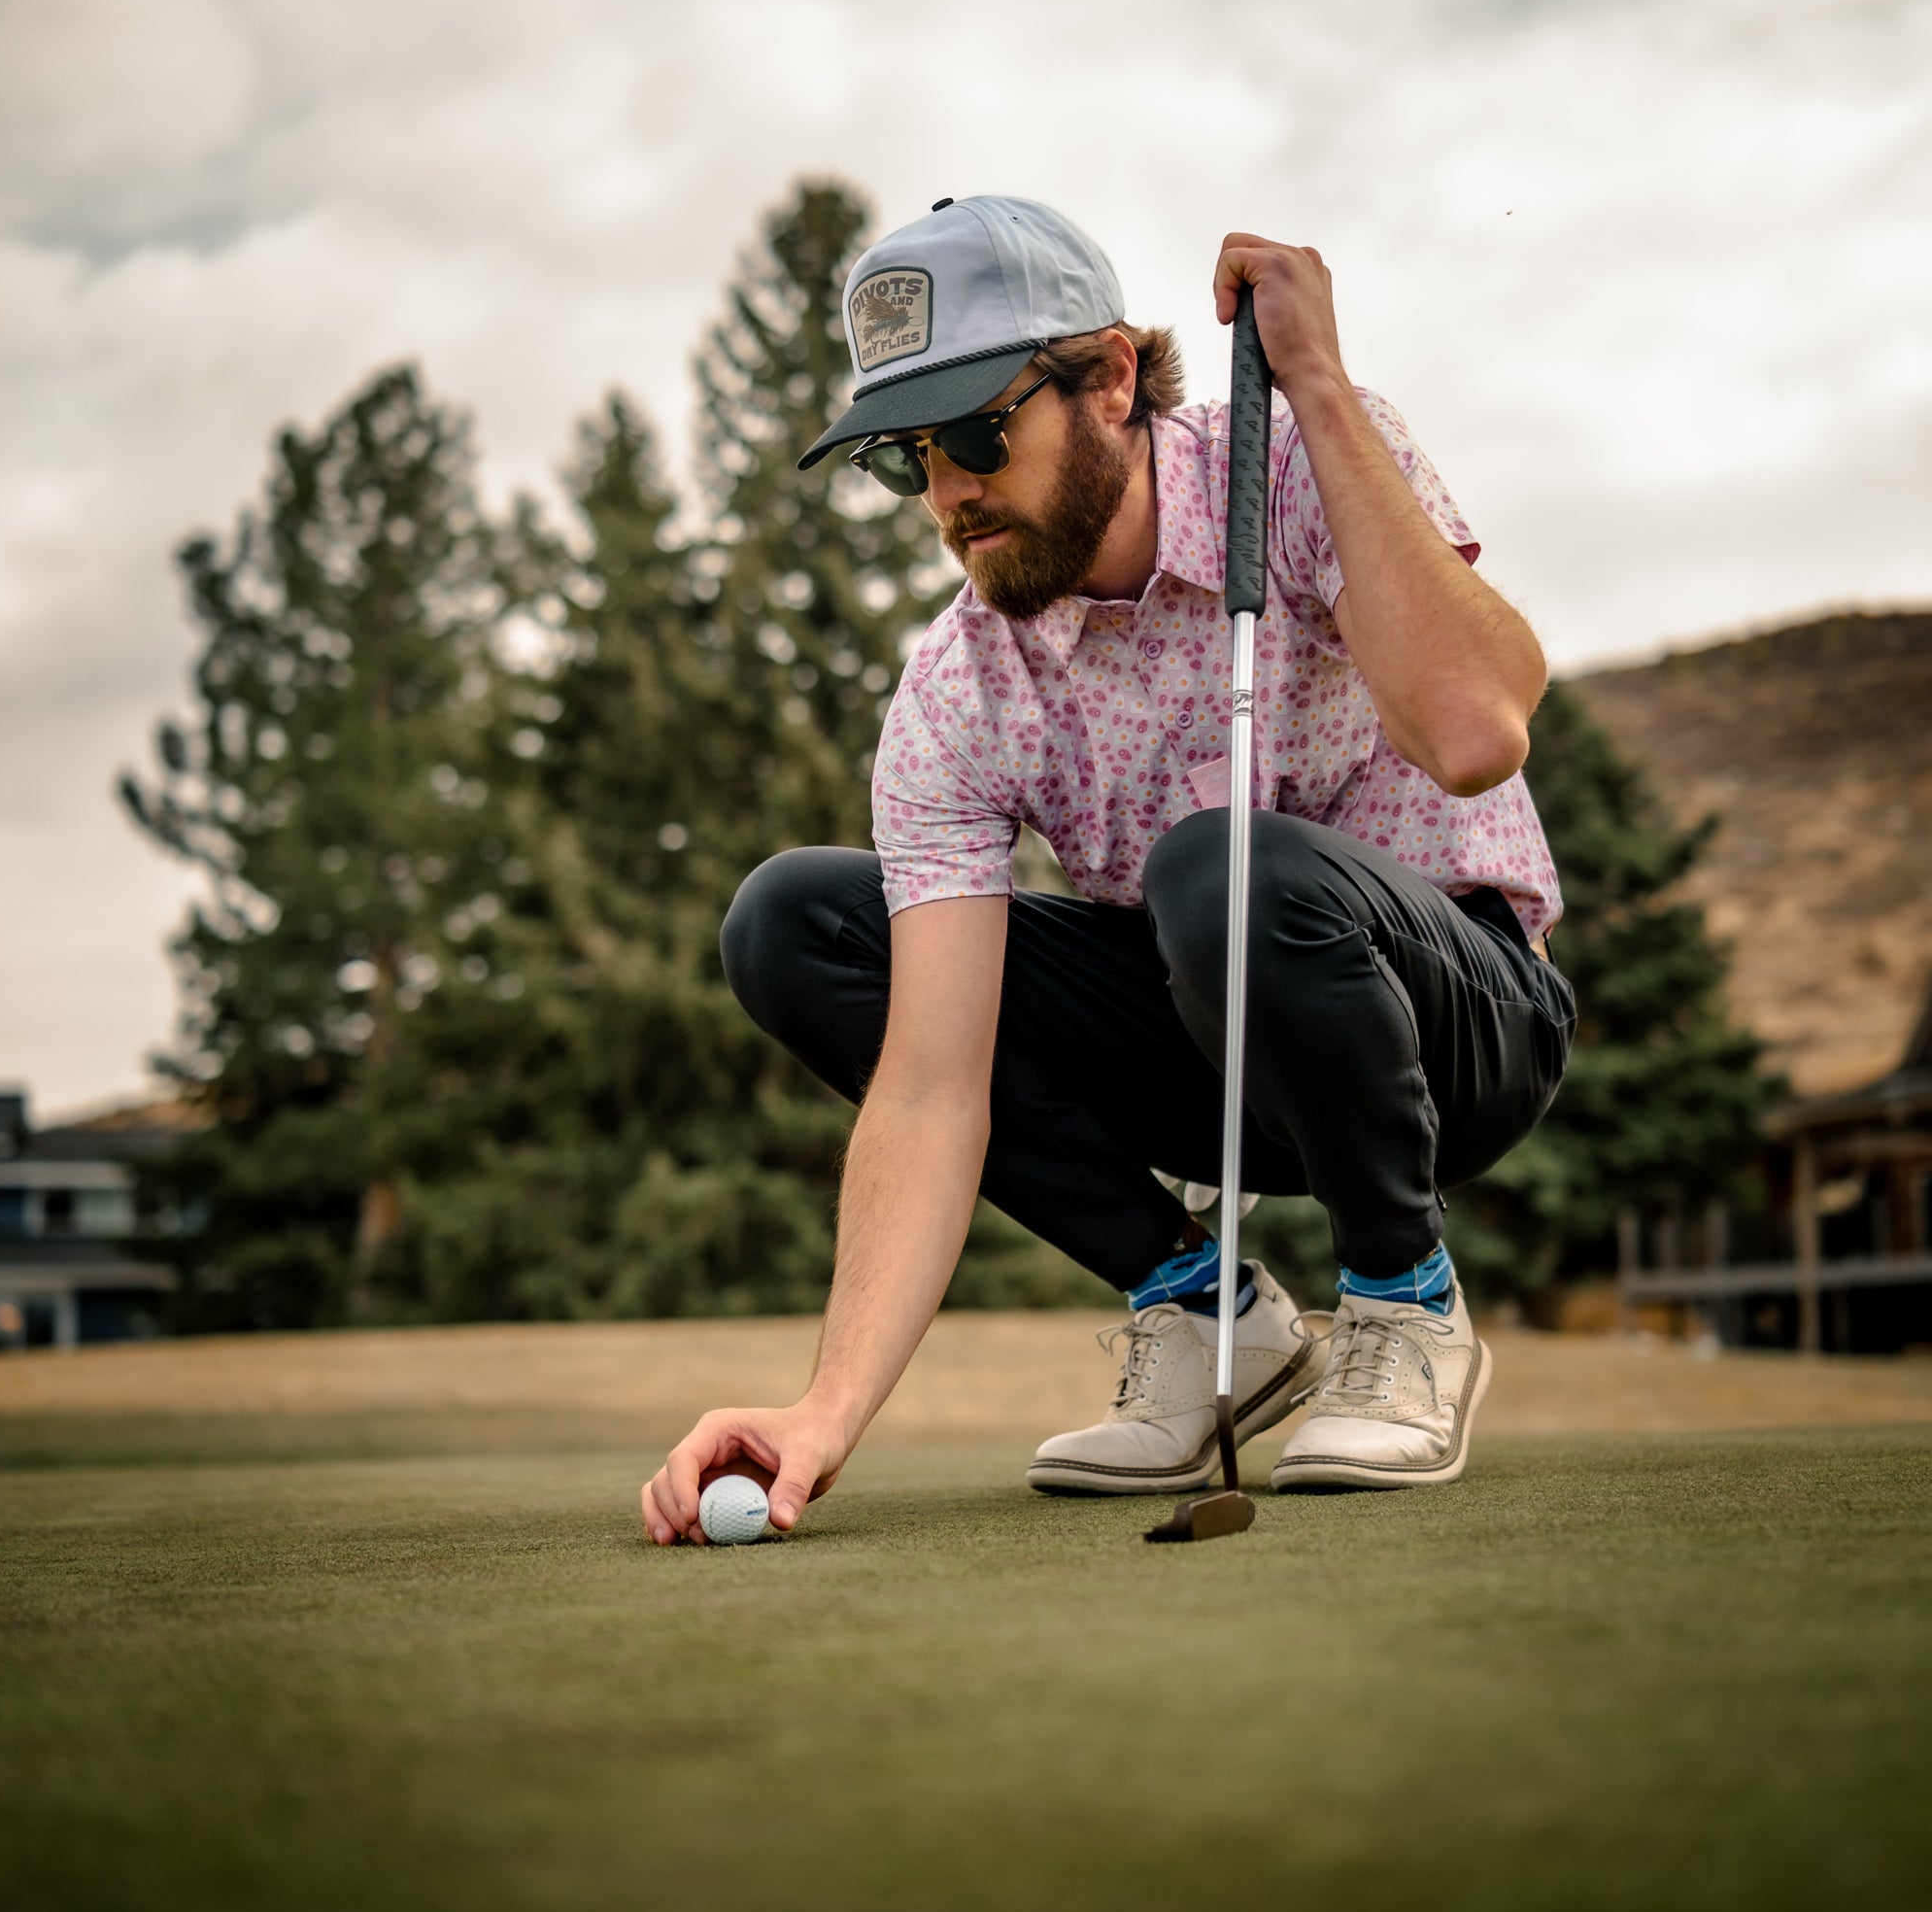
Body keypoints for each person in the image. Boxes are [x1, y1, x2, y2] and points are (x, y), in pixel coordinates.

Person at [640, 195, 1573, 1546]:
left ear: (1114, 380)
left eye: (976, 432)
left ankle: (1402, 1301)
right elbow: (930, 1082)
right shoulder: (960, 686)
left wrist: (1312, 381)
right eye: (911, 459)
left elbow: (1479, 732)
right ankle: (1205, 1316)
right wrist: (825, 1408)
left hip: (1459, 1023)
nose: (951, 490)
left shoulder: (1300, 463)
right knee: (796, 923)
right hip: (1215, 1053)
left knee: (1219, 870)